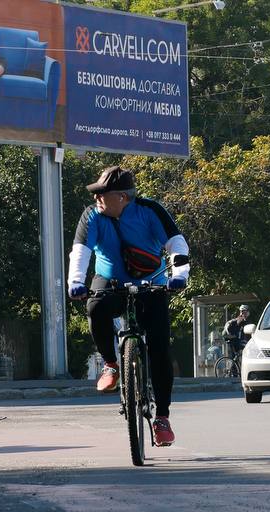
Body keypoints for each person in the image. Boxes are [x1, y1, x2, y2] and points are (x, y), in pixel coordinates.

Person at [67, 166, 190, 447]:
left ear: (122, 197)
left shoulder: (149, 210)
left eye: (103, 193)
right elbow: (81, 251)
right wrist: (76, 282)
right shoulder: (92, 216)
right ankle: (111, 364)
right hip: (109, 280)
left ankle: (162, 418)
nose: (97, 197)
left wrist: (179, 276)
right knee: (95, 307)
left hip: (153, 282)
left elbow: (177, 244)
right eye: (96, 193)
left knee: (159, 347)